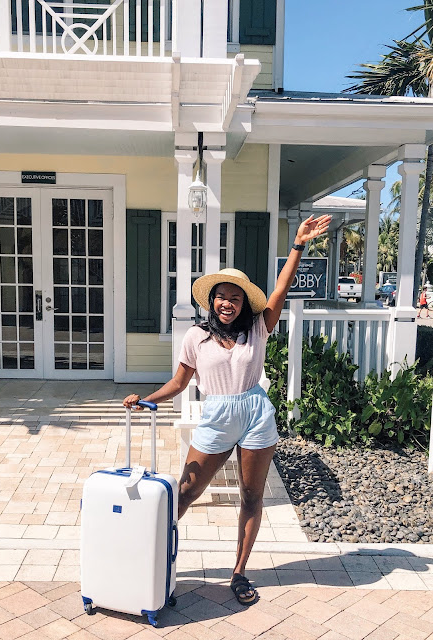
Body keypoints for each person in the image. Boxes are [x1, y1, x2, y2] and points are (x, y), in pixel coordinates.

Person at [123, 213, 331, 606]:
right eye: (222, 297)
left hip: (255, 415)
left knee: (251, 496)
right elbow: (179, 383)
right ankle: (143, 555)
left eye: (236, 299)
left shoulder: (258, 328)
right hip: (216, 418)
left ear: (244, 304)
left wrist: (298, 245)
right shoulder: (196, 336)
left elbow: (281, 289)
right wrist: (147, 399)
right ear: (212, 300)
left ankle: (239, 573)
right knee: (184, 492)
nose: (228, 304)